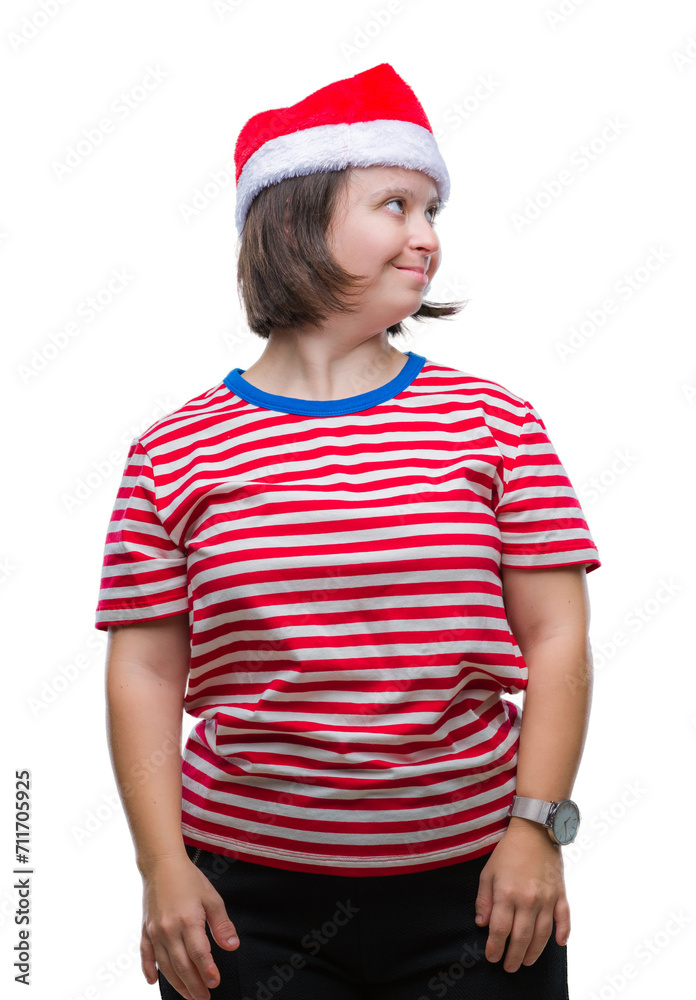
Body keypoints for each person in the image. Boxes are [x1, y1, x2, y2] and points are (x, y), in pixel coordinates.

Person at [94, 63, 601, 1000]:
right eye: (397, 204)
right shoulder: (173, 452)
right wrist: (162, 868)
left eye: (433, 213)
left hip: (482, 895)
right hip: (242, 908)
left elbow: (558, 637)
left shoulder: (496, 425)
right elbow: (145, 670)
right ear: (296, 219)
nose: (427, 237)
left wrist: (535, 829)